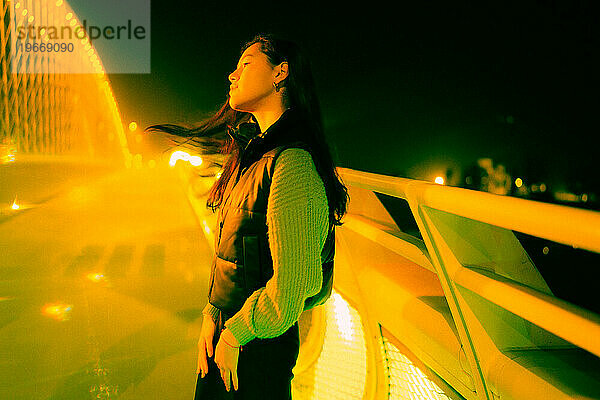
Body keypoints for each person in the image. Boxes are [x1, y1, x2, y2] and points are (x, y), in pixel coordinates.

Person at [146, 33, 348, 399]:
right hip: (228, 337)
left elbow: (292, 289)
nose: (232, 75)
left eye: (246, 64)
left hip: (255, 348)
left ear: (280, 73)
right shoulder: (251, 156)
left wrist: (235, 333)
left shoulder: (293, 164)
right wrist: (213, 311)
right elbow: (237, 251)